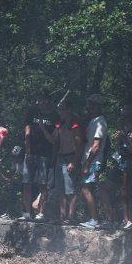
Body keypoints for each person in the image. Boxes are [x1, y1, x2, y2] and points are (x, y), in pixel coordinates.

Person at [21, 90, 57, 221]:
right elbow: (27, 131)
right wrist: (28, 150)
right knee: (27, 183)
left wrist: (43, 128)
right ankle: (27, 212)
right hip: (31, 152)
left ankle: (41, 213)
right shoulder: (32, 111)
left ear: (47, 100)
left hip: (45, 154)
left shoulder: (55, 116)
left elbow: (54, 140)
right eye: (38, 99)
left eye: (41, 99)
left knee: (42, 184)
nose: (39, 102)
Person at [75, 94, 108, 228]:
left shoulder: (100, 122)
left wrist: (87, 164)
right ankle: (98, 218)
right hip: (89, 160)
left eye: (92, 104)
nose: (89, 107)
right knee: (88, 188)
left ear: (98, 106)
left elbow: (96, 146)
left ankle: (96, 219)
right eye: (89, 104)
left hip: (94, 161)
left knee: (86, 188)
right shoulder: (92, 121)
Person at [53, 99, 84, 224]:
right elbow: (53, 138)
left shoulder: (74, 122)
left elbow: (80, 143)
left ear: (69, 109)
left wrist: (74, 161)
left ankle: (71, 217)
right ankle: (62, 216)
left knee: (70, 189)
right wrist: (42, 128)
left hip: (70, 157)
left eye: (62, 109)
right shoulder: (60, 123)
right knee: (61, 189)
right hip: (60, 157)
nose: (60, 111)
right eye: (59, 109)